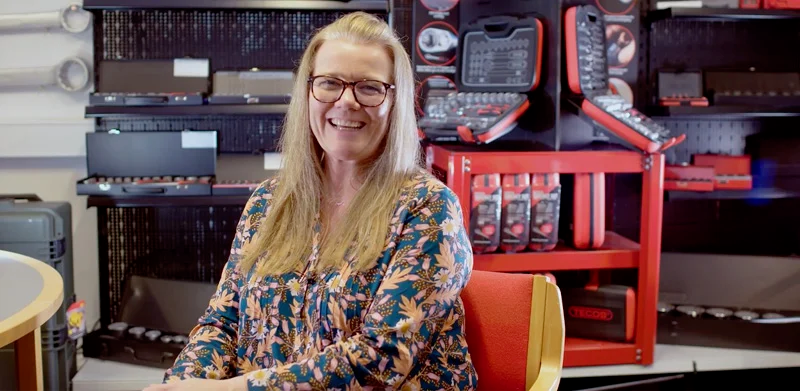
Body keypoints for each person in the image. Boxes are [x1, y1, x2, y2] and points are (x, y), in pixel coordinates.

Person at [143, 11, 477, 391]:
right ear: (307, 92)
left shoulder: (429, 210)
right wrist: (185, 383)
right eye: (330, 83)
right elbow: (222, 323)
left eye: (369, 87)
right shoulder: (267, 202)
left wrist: (225, 390)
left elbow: (378, 363)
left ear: (395, 102)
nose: (346, 101)